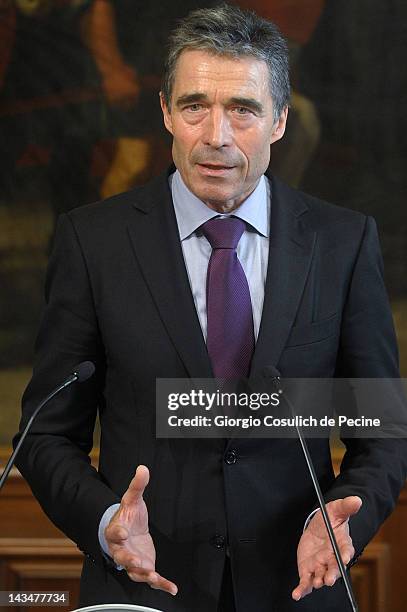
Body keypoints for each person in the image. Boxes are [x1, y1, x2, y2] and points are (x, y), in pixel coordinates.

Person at [14, 4, 407, 611]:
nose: (216, 136)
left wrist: (344, 516)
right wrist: (105, 519)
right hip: (148, 586)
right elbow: (44, 435)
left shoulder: (342, 243)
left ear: (280, 120)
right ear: (166, 112)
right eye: (195, 106)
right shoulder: (94, 242)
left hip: (299, 588)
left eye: (243, 110)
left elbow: (379, 432)